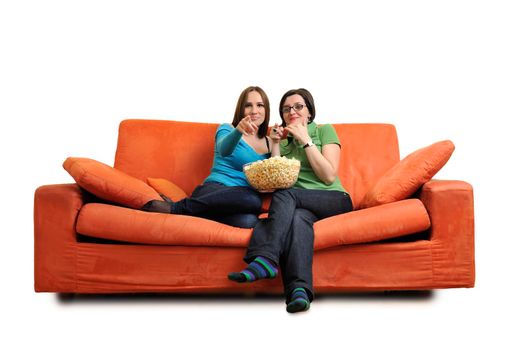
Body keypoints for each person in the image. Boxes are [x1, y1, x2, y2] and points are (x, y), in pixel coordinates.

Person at [228, 88, 353, 313]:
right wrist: (276, 144)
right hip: (301, 206)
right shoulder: (284, 143)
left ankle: (265, 259)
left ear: (309, 113)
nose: (292, 112)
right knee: (296, 220)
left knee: (285, 195)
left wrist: (306, 140)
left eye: (298, 107)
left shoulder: (324, 131)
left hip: (334, 199)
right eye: (286, 109)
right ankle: (299, 291)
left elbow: (328, 176)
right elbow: (277, 180)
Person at [142, 86, 273, 228]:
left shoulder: (269, 142)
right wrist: (239, 130)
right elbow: (224, 150)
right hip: (214, 190)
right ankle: (176, 208)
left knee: (248, 221)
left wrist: (277, 142)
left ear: (266, 110)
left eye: (260, 105)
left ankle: (194, 211)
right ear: (241, 109)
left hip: (238, 203)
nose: (254, 111)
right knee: (253, 200)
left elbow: (273, 175)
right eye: (248, 105)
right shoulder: (227, 129)